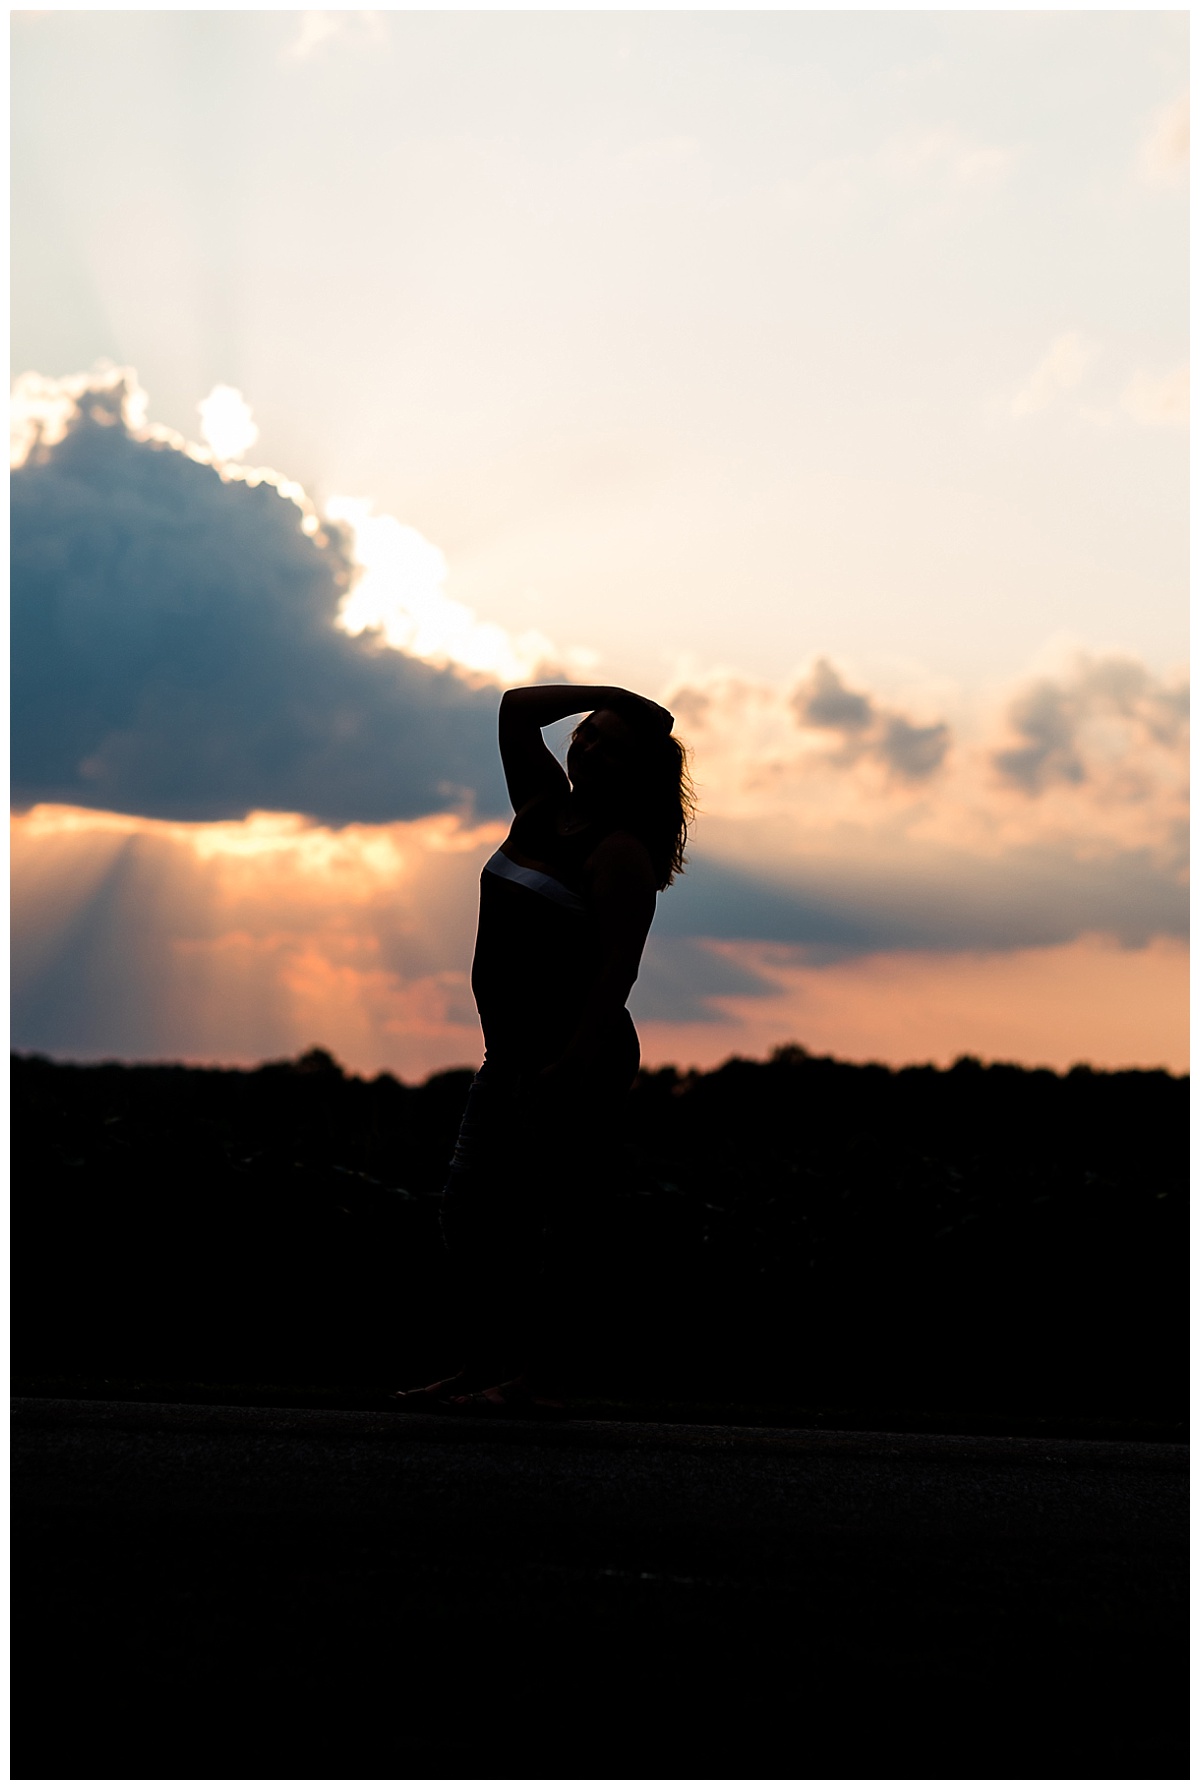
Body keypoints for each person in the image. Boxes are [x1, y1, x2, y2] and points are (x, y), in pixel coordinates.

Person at [394, 683, 694, 1414]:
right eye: (587, 734)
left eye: (611, 746)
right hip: (511, 1056)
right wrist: (618, 695)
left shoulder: (619, 852)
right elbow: (516, 709)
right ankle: (487, 1363)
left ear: (637, 772)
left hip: (570, 1059)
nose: (588, 748)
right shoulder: (540, 805)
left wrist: (573, 1062)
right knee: (468, 1215)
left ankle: (541, 1380)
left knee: (557, 1223)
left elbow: (617, 968)